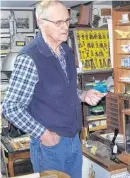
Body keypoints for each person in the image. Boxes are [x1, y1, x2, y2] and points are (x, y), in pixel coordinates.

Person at [2, 1, 105, 178]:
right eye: (59, 23)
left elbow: (65, 90)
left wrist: (83, 95)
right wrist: (44, 135)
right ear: (41, 22)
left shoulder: (66, 51)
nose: (65, 27)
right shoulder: (30, 58)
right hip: (50, 146)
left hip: (74, 139)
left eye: (67, 20)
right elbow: (10, 107)